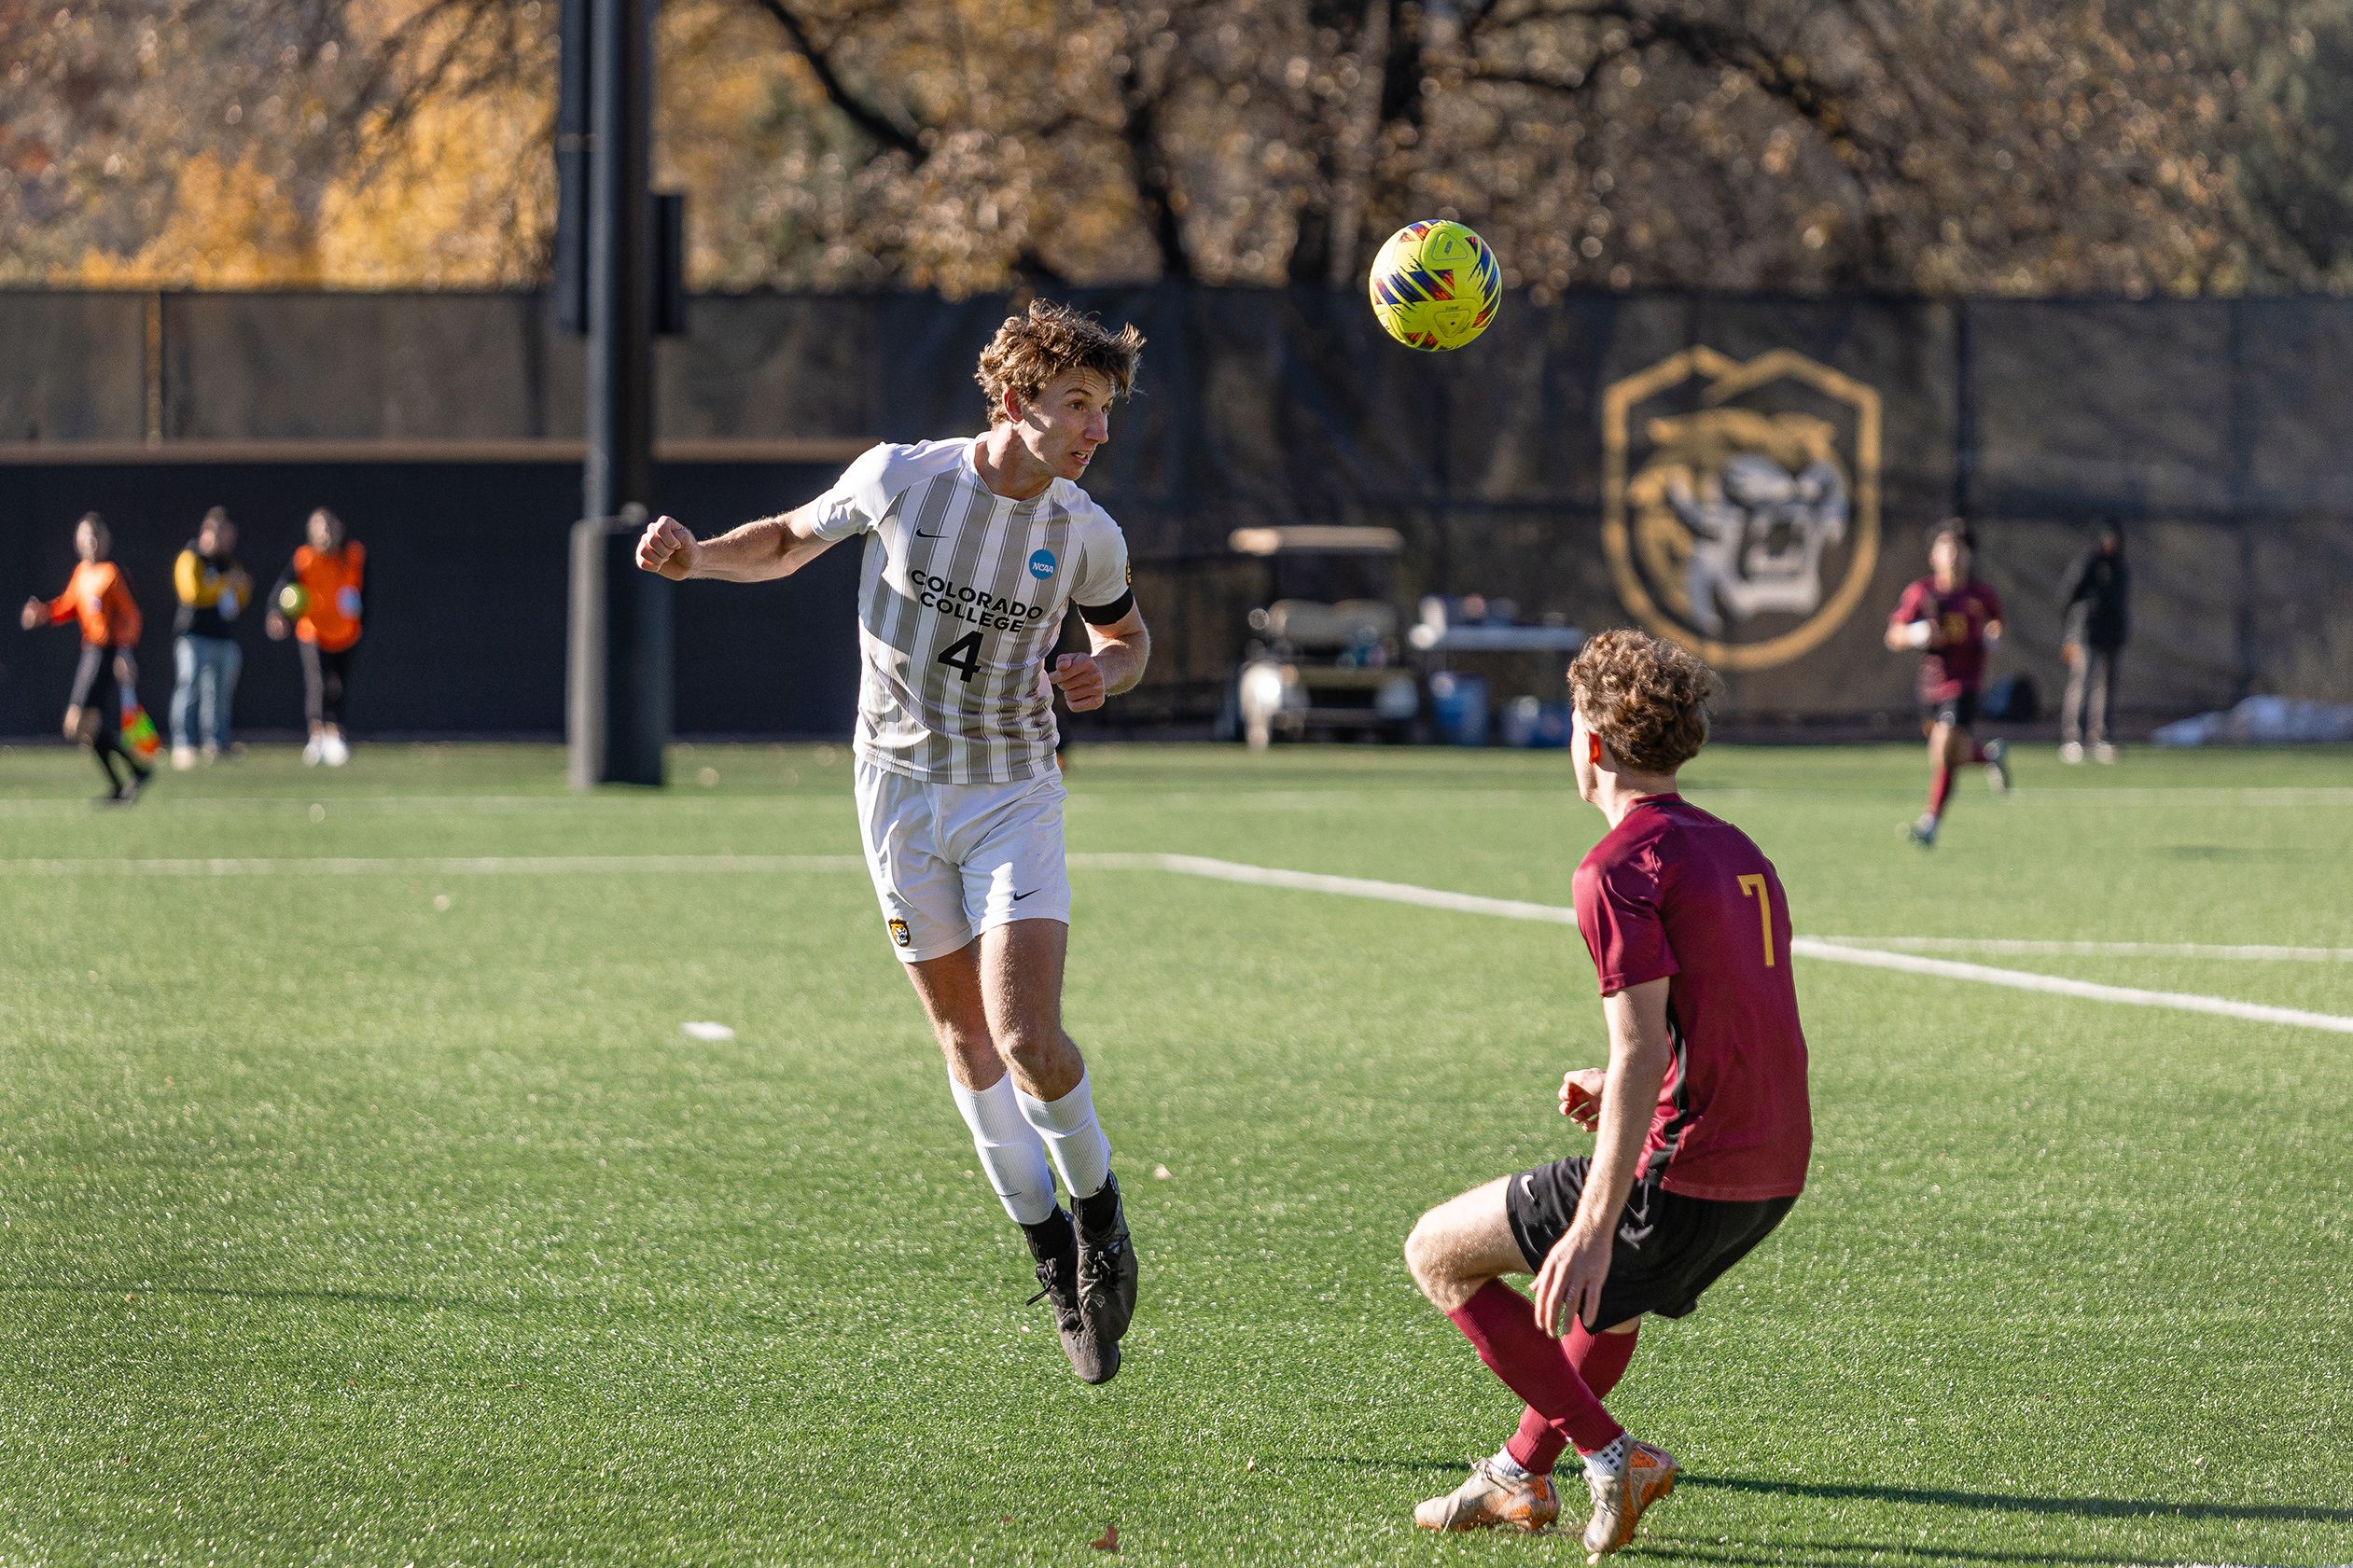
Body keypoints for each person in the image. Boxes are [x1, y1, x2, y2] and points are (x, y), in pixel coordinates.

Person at [634, 300, 1152, 1383]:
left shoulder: (1084, 530)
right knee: (965, 1046)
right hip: (896, 792)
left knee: (1029, 1041)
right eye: (1076, 406)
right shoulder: (903, 478)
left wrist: (1107, 671)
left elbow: (1123, 631)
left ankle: (1100, 1214)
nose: (1095, 430)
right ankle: (1053, 1259)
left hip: (1013, 790)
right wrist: (694, 560)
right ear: (1014, 402)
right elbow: (782, 540)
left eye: (1103, 409)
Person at [1402, 630, 1811, 1559]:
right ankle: (1516, 1474)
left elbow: (1634, 1050)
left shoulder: (1615, 868)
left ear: (1589, 744)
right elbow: (1732, 1018)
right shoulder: (1738, 850)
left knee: (1435, 1253)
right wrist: (1640, 1080)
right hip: (1772, 1174)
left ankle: (1608, 1453)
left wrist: (1591, 1221)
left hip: (1688, 1173)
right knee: (1609, 1304)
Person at [1884, 520, 2010, 848]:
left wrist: (1992, 636)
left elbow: (1996, 624)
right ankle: (1989, 757)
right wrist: (1915, 633)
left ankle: (1930, 823)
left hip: (1965, 685)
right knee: (1951, 755)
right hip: (1931, 688)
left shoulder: (1980, 595)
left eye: (1959, 549)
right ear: (1933, 556)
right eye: (1946, 548)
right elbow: (1893, 636)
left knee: (1943, 749)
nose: (1953, 555)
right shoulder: (1921, 593)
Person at [20, 512, 154, 805]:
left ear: (104, 540)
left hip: (104, 652)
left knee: (76, 724)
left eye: (96, 536)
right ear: (78, 541)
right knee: (87, 729)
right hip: (90, 651)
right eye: (85, 536)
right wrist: (42, 612)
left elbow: (131, 616)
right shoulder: (82, 572)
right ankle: (132, 776)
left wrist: (124, 652)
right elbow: (67, 606)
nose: (91, 542)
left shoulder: (111, 573)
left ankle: (134, 773)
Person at [268, 508, 365, 767]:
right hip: (313, 630)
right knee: (317, 683)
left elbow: (365, 592)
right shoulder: (304, 558)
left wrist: (361, 623)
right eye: (320, 528)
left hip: (345, 632)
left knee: (338, 685)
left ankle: (335, 735)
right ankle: (317, 735)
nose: (326, 533)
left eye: (330, 527)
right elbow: (283, 589)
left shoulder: (353, 555)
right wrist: (277, 614)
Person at [170, 506, 253, 769]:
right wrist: (224, 584)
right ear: (206, 532)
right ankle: (183, 743)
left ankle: (216, 742)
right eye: (218, 533)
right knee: (189, 686)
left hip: (223, 637)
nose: (223, 540)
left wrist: (239, 587)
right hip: (194, 637)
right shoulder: (191, 556)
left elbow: (240, 599)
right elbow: (191, 593)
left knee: (219, 693)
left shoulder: (230, 563)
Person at [2057, 520, 2128, 764]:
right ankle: (2072, 737)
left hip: (2113, 634)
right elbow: (2069, 595)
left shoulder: (2120, 567)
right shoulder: (2089, 564)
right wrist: (2070, 632)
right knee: (2082, 682)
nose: (2111, 543)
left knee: (2107, 686)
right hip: (2088, 633)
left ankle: (2102, 737)